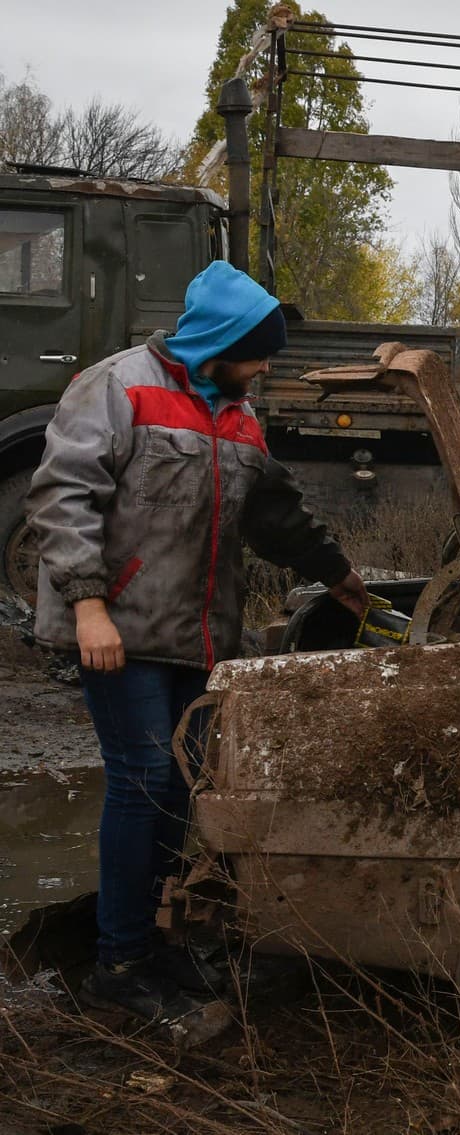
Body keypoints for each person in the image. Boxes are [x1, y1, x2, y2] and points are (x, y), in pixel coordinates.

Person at [27, 260, 368, 1023]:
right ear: (222, 340)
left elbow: (273, 511)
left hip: (201, 639)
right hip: (120, 632)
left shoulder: (241, 418)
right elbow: (60, 495)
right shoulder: (117, 387)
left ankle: (158, 938)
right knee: (144, 778)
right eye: (258, 351)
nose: (265, 366)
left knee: (185, 791)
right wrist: (88, 607)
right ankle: (117, 963)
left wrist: (337, 573)